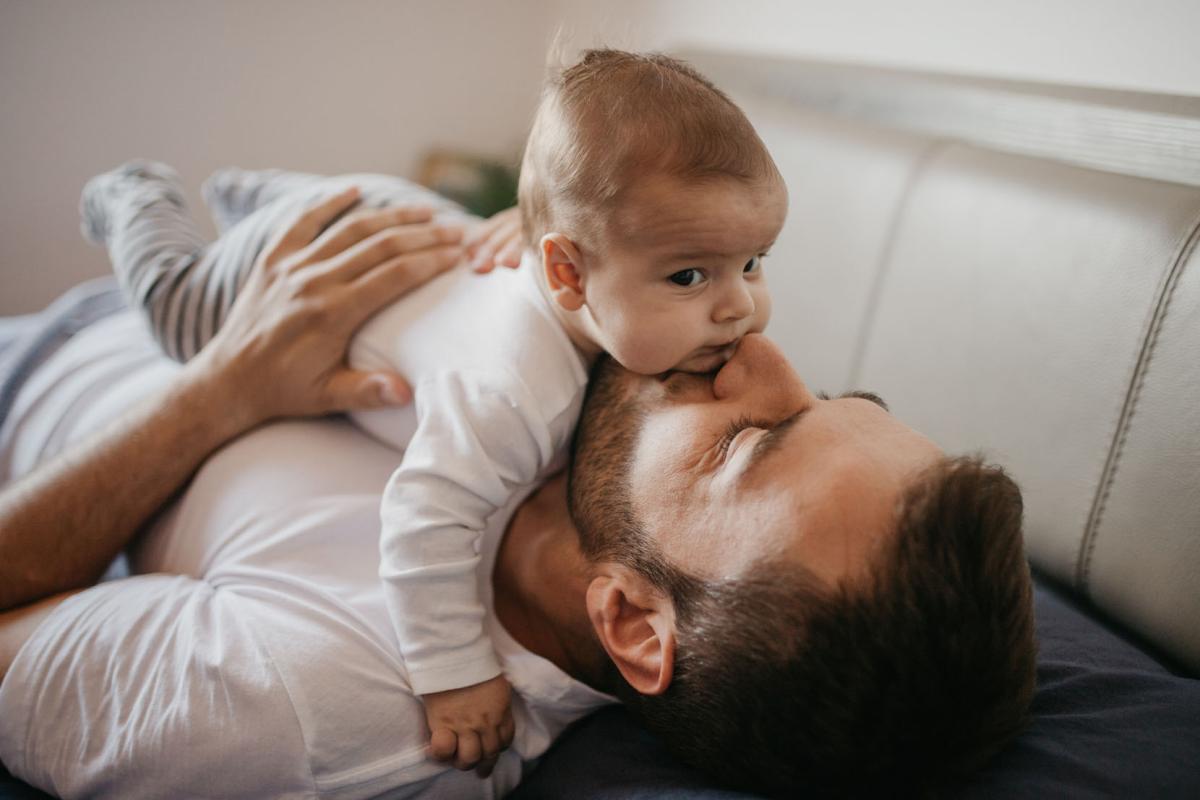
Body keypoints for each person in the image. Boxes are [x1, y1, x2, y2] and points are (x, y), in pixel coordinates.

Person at [0, 200, 1036, 798]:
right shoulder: (585, 397)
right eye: (836, 396)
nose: (757, 348)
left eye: (754, 440)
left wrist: (222, 386)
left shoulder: (305, 701)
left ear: (631, 620)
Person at [78, 48, 789, 771]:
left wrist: (538, 222)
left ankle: (247, 192)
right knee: (179, 318)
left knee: (321, 206)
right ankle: (140, 195)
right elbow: (424, 522)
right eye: (691, 275)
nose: (740, 308)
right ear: (566, 273)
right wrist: (455, 672)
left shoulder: (610, 298)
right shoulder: (509, 396)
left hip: (398, 217)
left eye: (755, 261)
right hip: (307, 254)